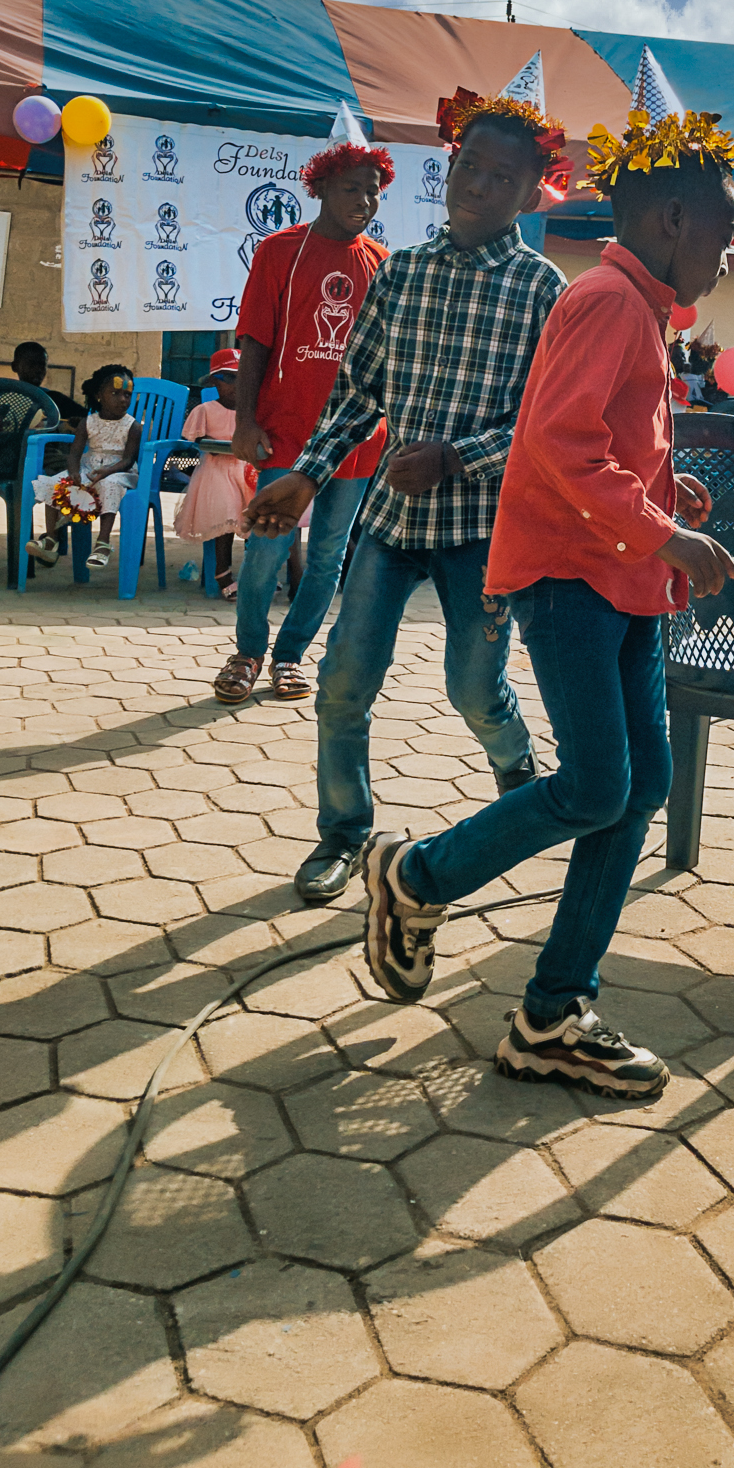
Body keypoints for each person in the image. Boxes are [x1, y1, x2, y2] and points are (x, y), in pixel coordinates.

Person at [357, 93, 734, 1098]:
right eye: (726, 232)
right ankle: (418, 876)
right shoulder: (607, 301)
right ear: (672, 220)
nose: (729, 255)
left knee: (641, 785)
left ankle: (551, 1015)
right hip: (574, 581)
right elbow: (560, 444)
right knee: (597, 786)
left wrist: (665, 499)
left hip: (622, 580)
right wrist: (667, 532)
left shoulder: (638, 307)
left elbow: (608, 444)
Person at [243, 91, 570, 903]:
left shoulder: (542, 288)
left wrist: (456, 457)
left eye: (504, 178)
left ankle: (517, 775)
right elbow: (358, 393)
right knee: (343, 682)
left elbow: (545, 422)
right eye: (471, 167)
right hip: (390, 525)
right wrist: (308, 474)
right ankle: (344, 833)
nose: (480, 186)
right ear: (449, 168)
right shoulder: (403, 273)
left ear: (531, 194)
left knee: (474, 688)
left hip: (481, 531)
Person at [214, 135, 396, 703]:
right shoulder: (280, 251)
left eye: (373, 191)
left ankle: (290, 656)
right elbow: (255, 341)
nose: (364, 201)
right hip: (287, 432)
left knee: (328, 556)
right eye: (351, 189)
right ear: (320, 189)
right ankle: (248, 652)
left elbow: (391, 356)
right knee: (267, 546)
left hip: (357, 437)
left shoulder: (383, 263)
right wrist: (246, 422)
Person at [26, 365, 141, 571]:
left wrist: (107, 471)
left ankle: (103, 543)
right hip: (89, 467)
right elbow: (74, 454)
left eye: (127, 394)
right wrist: (73, 472)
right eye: (115, 393)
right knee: (55, 483)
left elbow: (128, 460)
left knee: (109, 485)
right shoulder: (87, 422)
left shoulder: (132, 426)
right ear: (98, 395)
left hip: (119, 472)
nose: (123, 399)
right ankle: (51, 539)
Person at [174, 350, 255, 600]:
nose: (236, 385)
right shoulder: (205, 410)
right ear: (214, 381)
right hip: (215, 471)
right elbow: (199, 441)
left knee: (257, 510)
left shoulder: (253, 411)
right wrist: (216, 444)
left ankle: (256, 572)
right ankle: (223, 573)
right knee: (226, 512)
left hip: (245, 470)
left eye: (242, 378)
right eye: (229, 378)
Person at [11, 342, 85, 424]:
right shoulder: (4, 397)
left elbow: (89, 418)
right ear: (15, 366)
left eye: (42, 365)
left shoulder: (55, 400)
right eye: (32, 364)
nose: (38, 370)